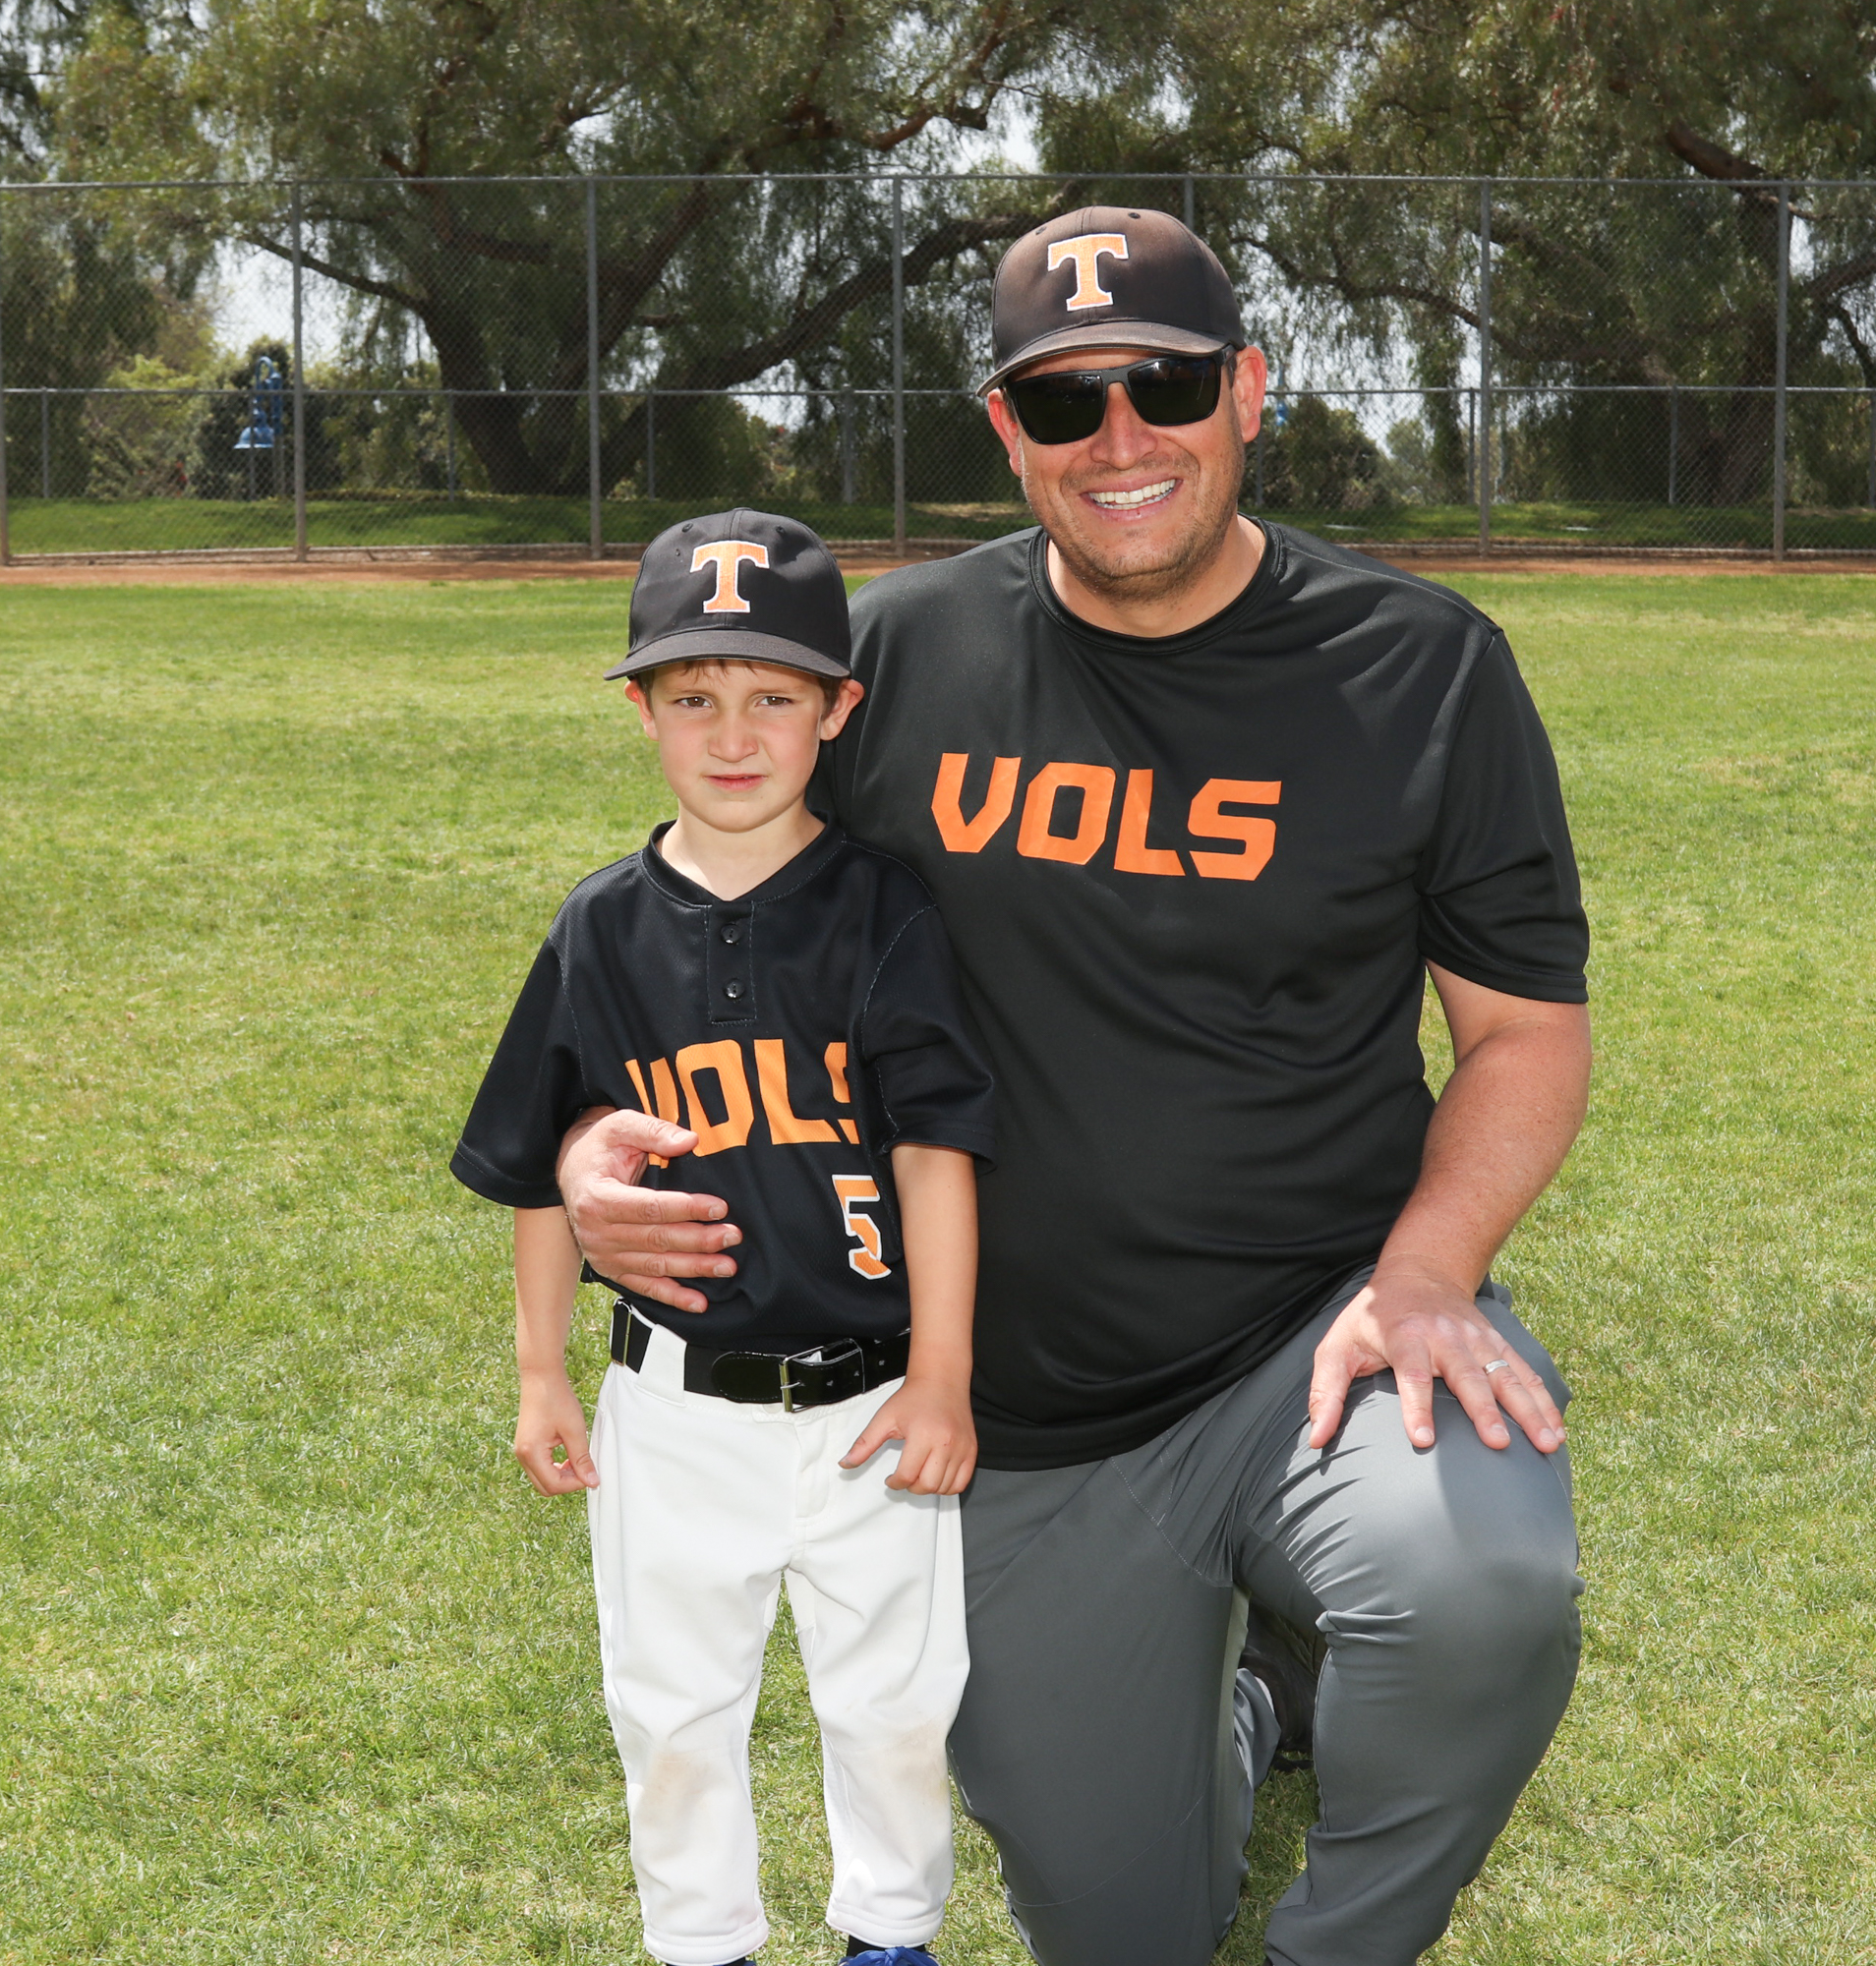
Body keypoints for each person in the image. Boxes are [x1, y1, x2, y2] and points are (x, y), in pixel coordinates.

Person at [560, 212, 1593, 1966]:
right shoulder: (895, 661)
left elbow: (1524, 1036)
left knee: (1480, 1582)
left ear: (1247, 390)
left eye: (1165, 387)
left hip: (1311, 1334)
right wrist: (598, 1151)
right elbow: (701, 938)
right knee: (1129, 1930)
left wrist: (1426, 1275)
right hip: (1004, 1414)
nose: (1120, 438)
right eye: (1063, 402)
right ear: (1005, 428)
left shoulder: (1422, 666)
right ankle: (1249, 1706)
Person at [449, 511, 997, 1966]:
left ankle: (891, 1939)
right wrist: (541, 1373)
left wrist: (945, 1376)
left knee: (896, 1705)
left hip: (875, 1397)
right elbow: (541, 1170)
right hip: (675, 1406)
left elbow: (937, 1150)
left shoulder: (885, 910)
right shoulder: (599, 928)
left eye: (773, 696)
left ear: (838, 710)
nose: (734, 735)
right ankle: (702, 1945)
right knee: (672, 1711)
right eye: (694, 697)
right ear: (642, 709)